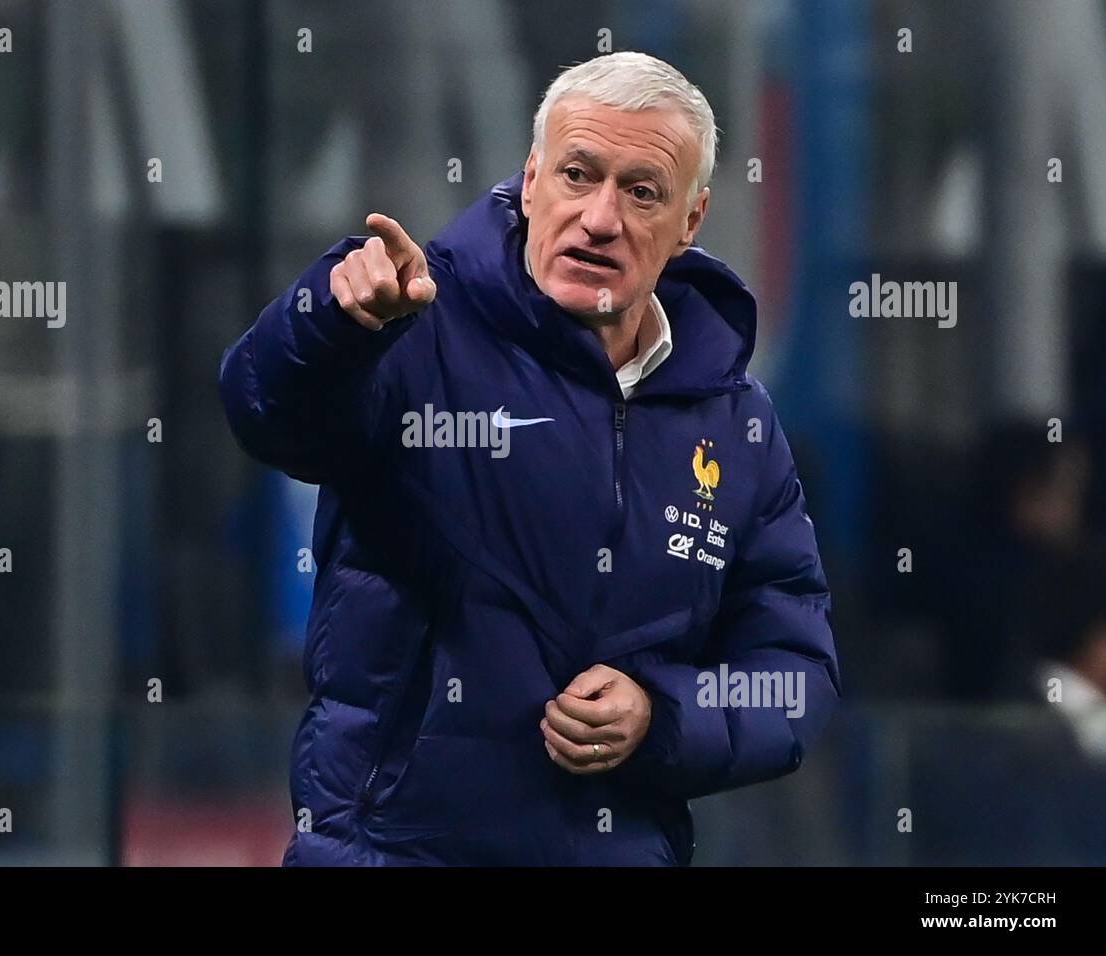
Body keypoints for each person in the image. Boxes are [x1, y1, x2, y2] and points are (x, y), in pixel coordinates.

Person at [220, 51, 839, 865]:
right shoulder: (415, 323)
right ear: (533, 178)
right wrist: (333, 325)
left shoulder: (735, 420)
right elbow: (267, 412)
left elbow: (793, 675)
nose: (600, 217)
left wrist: (661, 713)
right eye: (579, 175)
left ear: (691, 222)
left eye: (642, 191)